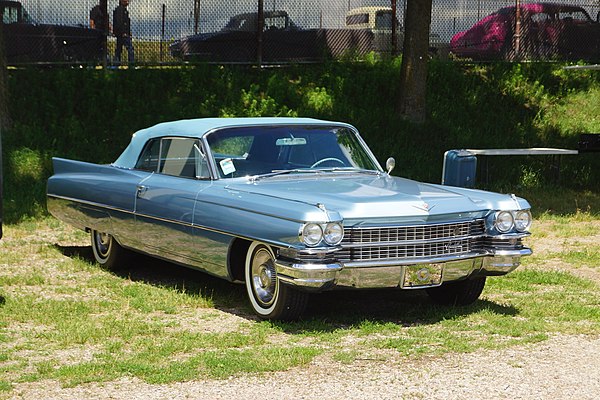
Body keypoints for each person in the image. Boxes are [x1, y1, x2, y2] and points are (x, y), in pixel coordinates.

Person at [113, 0, 134, 65]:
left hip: (121, 33)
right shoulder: (120, 10)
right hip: (122, 34)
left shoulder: (123, 10)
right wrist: (123, 32)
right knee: (130, 49)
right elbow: (119, 22)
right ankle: (131, 64)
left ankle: (117, 63)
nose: (128, 2)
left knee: (119, 49)